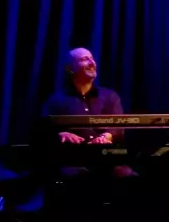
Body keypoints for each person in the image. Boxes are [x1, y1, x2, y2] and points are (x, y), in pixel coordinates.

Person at [39, 47, 136, 181]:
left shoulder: (110, 96)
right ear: (70, 68)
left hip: (107, 160)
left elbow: (118, 127)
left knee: (127, 175)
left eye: (92, 58)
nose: (92, 63)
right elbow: (42, 131)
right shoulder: (57, 100)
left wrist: (106, 136)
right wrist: (60, 134)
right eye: (84, 59)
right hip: (73, 161)